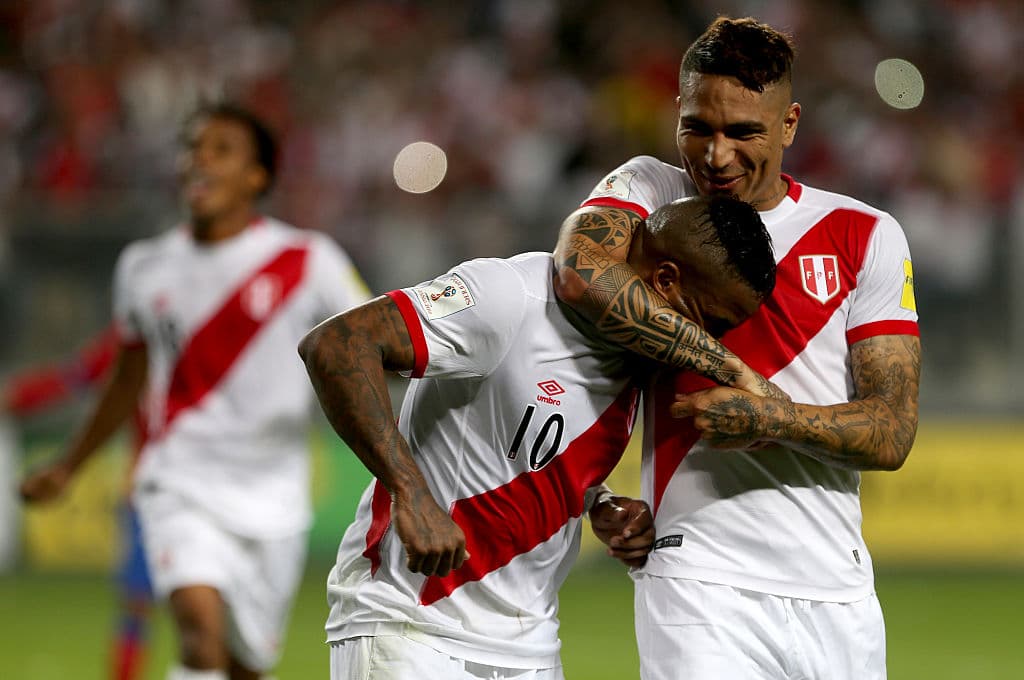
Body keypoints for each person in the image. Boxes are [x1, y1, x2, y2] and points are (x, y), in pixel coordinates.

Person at [553, 16, 921, 680]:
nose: (716, 156)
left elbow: (891, 430)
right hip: (695, 578)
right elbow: (580, 274)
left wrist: (771, 418)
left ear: (789, 124)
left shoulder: (863, 234)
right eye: (698, 127)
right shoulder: (649, 194)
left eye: (744, 132)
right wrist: (725, 367)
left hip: (835, 592)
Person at [299, 194, 777, 680]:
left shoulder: (634, 362)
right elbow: (337, 345)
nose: (709, 340)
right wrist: (411, 492)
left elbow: (524, 442)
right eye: (711, 320)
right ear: (666, 280)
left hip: (530, 647)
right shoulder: (511, 298)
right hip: (413, 626)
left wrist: (599, 502)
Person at [20, 103, 371, 680]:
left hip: (272, 496)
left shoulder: (309, 261)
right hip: (178, 479)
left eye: (221, 149)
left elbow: (374, 338)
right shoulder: (144, 266)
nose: (199, 159)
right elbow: (126, 378)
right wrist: (69, 465)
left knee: (245, 664)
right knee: (197, 629)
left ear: (257, 177)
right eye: (193, 148)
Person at [2, 325, 153, 680]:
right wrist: (19, 397)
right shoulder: (138, 329)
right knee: (138, 603)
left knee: (194, 604)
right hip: (149, 486)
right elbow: (74, 378)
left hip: (209, 486)